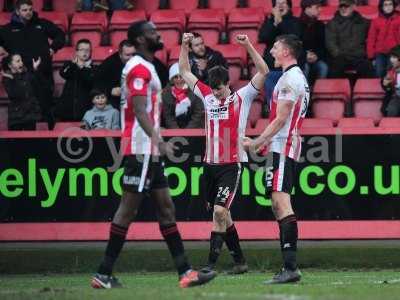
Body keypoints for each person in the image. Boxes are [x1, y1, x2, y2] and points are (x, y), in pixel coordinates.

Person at [92, 20, 217, 289]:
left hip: (148, 150)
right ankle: (103, 273)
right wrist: (159, 142)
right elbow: (139, 111)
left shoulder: (147, 67)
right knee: (127, 210)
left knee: (166, 209)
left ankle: (185, 272)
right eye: (151, 32)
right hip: (142, 148)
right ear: (139, 39)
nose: (157, 34)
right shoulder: (138, 68)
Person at [179, 33, 269, 274]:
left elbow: (263, 71)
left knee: (219, 212)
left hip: (231, 165)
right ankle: (240, 262)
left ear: (227, 84)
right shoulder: (206, 95)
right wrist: (184, 46)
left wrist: (248, 45)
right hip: (209, 166)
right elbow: (185, 71)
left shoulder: (242, 96)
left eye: (220, 90)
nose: (217, 94)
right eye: (215, 90)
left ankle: (210, 265)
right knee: (223, 216)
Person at [243, 34, 309, 284]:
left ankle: (290, 267)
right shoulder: (295, 77)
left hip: (283, 146)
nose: (271, 51)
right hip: (282, 144)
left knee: (281, 203)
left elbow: (281, 119)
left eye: (275, 46)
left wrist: (258, 141)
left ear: (286, 52)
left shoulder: (289, 79)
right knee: (277, 202)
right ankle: (289, 266)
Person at [0, 0, 65, 87]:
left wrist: (53, 47)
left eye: (30, 9)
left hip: (43, 74)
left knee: (45, 100)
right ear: (17, 11)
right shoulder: (7, 29)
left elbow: (60, 34)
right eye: (25, 10)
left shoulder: (42, 23)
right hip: (20, 79)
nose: (28, 12)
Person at [325, 0, 373, 78]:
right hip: (341, 56)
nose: (343, 9)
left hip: (359, 56)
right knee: (334, 70)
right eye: (341, 6)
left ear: (353, 6)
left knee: (368, 69)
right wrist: (338, 54)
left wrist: (366, 53)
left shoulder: (363, 22)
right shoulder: (332, 23)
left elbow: (371, 38)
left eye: (346, 6)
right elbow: (330, 42)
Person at [54, 39, 96, 121]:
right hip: (67, 109)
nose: (85, 52)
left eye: (87, 50)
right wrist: (74, 65)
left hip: (85, 110)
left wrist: (81, 67)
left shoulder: (94, 68)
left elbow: (90, 80)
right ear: (76, 52)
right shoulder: (70, 64)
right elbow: (63, 73)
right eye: (82, 50)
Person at [2, 53, 43, 130]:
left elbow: (38, 86)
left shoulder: (27, 74)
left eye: (21, 60)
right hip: (16, 117)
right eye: (18, 61)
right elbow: (15, 94)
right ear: (10, 65)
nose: (21, 63)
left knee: (31, 140)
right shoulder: (7, 78)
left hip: (30, 116)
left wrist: (35, 69)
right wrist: (14, 77)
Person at [94, 40, 135, 109]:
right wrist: (110, 90)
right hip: (115, 103)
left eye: (133, 54)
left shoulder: (139, 60)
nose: (131, 58)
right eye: (127, 55)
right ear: (120, 54)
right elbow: (96, 85)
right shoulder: (108, 65)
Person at [162, 62, 204, 129]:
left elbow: (197, 114)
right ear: (172, 80)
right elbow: (168, 116)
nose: (179, 80)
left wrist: (187, 132)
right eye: (176, 77)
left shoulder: (196, 91)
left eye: (181, 76)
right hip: (174, 132)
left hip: (194, 130)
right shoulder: (166, 93)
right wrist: (177, 132)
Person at [367, 0, 400, 78]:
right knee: (379, 73)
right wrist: (371, 56)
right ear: (382, 7)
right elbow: (371, 38)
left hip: (395, 52)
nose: (388, 7)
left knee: (391, 74)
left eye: (390, 4)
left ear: (394, 6)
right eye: (385, 5)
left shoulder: (399, 19)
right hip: (380, 52)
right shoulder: (376, 21)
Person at [300, 0, 328, 85]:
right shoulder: (296, 24)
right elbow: (294, 45)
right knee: (305, 67)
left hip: (316, 58)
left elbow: (323, 46)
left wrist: (316, 56)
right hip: (300, 59)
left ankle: (318, 95)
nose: (320, 10)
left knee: (323, 67)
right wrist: (305, 55)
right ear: (307, 8)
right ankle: (304, 95)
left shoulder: (320, 25)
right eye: (317, 7)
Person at [381, 45, 400, 117]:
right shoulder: (390, 71)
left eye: (394, 57)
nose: (391, 60)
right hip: (397, 97)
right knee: (391, 110)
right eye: (391, 57)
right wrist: (386, 85)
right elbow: (388, 89)